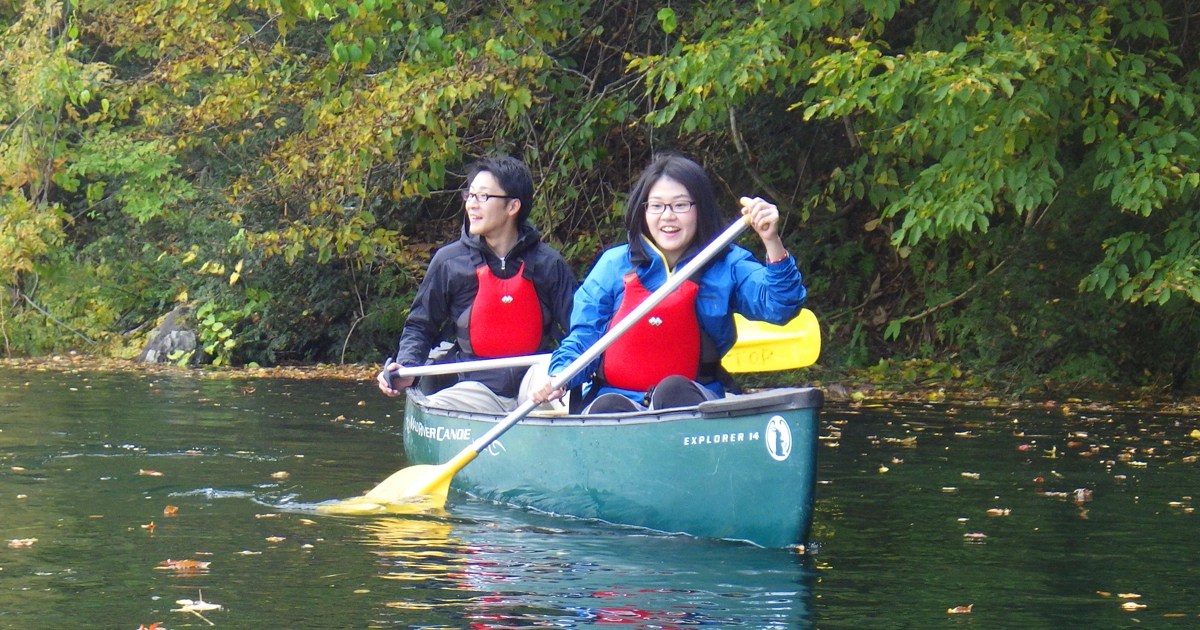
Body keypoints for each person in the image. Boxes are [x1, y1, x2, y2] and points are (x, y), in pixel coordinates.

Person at [532, 153, 806, 413]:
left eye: (680, 205)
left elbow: (781, 306)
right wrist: (561, 376)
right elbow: (583, 339)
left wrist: (771, 241)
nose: (668, 216)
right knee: (610, 406)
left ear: (700, 209)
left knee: (673, 390)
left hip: (694, 398)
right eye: (657, 206)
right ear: (643, 210)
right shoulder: (613, 265)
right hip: (613, 399)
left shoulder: (728, 263)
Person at [377, 156, 576, 412]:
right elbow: (420, 325)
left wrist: (563, 375)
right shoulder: (449, 262)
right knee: (437, 406)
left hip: (535, 383)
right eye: (469, 195)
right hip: (474, 387)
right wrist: (407, 367)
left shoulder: (549, 264)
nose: (471, 205)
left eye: (482, 197)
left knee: (554, 389)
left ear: (513, 206)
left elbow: (580, 329)